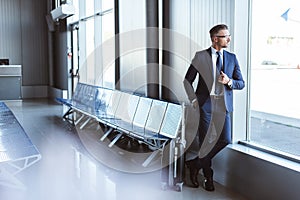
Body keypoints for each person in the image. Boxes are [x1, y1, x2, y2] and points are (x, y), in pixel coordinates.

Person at [183, 24, 245, 191]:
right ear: (215, 38)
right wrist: (194, 101)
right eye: (225, 36)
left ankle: (194, 164)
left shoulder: (232, 58)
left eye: (228, 35)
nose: (229, 39)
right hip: (206, 104)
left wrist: (229, 82)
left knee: (225, 139)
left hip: (223, 104)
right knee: (204, 143)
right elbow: (187, 80)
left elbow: (241, 83)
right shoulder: (200, 56)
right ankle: (208, 178)